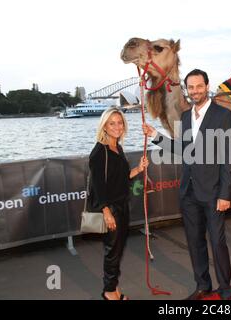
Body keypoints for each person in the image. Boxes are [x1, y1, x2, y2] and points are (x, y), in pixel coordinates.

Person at [143, 69, 231, 300]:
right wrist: (155, 135)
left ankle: (225, 288)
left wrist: (225, 194)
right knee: (195, 244)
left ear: (207, 86)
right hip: (189, 192)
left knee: (217, 243)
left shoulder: (223, 115)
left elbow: (227, 158)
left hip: (214, 192)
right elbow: (182, 150)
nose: (195, 91)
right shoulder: (185, 117)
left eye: (199, 86)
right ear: (187, 90)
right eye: (191, 87)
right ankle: (203, 285)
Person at [89, 107, 149, 300]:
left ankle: (113, 289)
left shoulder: (117, 148)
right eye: (112, 123)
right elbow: (97, 187)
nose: (117, 126)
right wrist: (106, 212)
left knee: (117, 250)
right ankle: (108, 292)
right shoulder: (100, 152)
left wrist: (138, 169)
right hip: (111, 210)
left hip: (122, 206)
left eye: (120, 122)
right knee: (112, 252)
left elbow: (122, 178)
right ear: (104, 127)